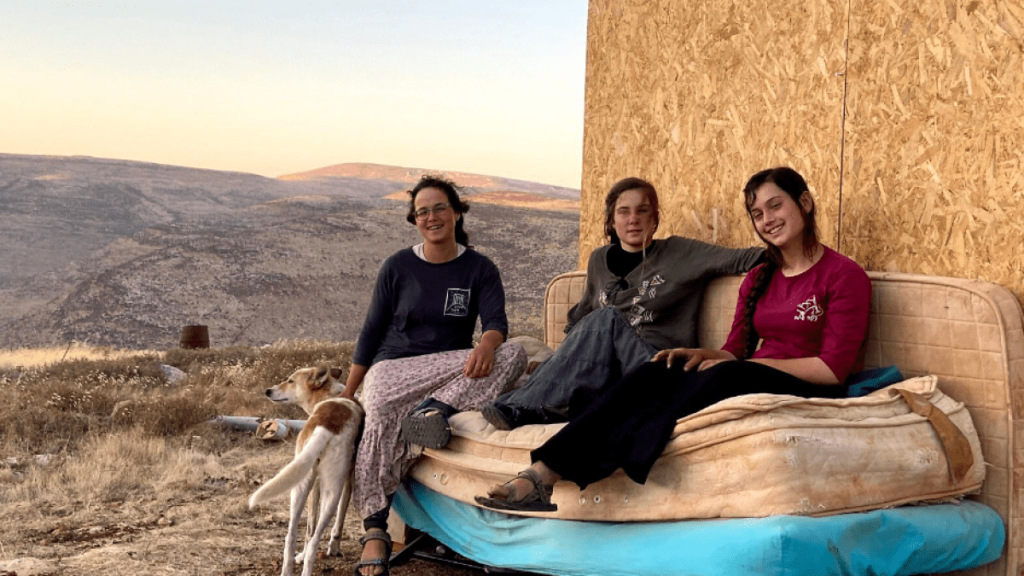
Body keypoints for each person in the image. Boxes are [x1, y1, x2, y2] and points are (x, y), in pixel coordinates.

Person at [475, 166, 871, 512]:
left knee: (720, 377)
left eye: (776, 206)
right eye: (757, 213)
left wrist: (748, 364)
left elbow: (832, 370)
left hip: (807, 384)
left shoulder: (843, 275)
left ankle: (615, 451)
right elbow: (734, 351)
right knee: (657, 369)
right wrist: (697, 353)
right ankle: (540, 475)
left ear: (804, 203)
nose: (767, 219)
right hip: (749, 373)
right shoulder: (759, 277)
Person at [340, 175, 526, 575]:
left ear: (457, 213)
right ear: (415, 220)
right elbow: (370, 332)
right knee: (381, 407)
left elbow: (497, 324)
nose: (432, 217)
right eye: (422, 212)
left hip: (449, 369)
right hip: (395, 368)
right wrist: (349, 393)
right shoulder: (397, 266)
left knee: (514, 353)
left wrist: (487, 344)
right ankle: (375, 528)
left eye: (440, 208)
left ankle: (432, 412)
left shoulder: (480, 268)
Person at [480, 177, 763, 430]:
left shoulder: (680, 252)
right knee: (589, 340)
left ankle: (517, 407)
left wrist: (786, 258)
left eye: (642, 211)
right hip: (611, 371)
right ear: (612, 221)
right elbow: (581, 320)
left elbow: (744, 259)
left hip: (655, 365)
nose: (633, 219)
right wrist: (557, 361)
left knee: (608, 319)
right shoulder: (599, 260)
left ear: (655, 219)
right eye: (624, 212)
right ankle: (541, 408)